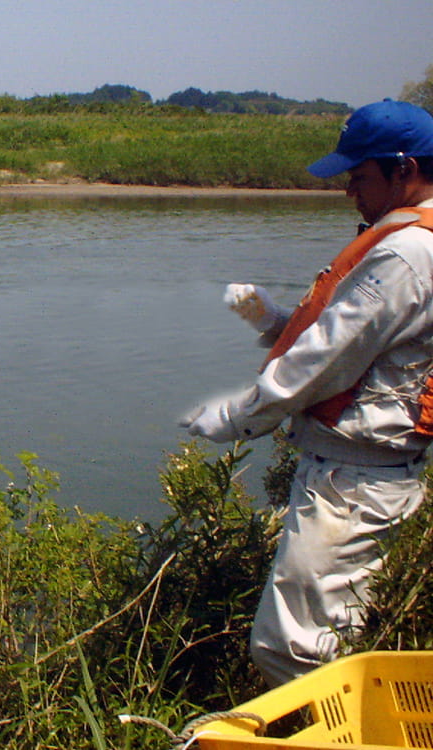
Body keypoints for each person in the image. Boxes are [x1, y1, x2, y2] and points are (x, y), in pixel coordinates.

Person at [180, 99, 433, 687]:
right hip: (364, 474)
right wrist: (271, 321)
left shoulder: (407, 253)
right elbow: (366, 345)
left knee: (293, 652)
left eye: (359, 174)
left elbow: (324, 365)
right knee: (322, 637)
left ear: (403, 169)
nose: (349, 190)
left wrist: (232, 419)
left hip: (354, 481)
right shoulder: (407, 240)